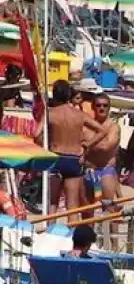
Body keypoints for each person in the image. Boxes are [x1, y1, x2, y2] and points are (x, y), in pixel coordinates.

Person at [34, 80, 110, 216]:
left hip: (55, 157)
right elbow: (102, 131)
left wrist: (45, 147)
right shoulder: (79, 115)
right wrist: (87, 144)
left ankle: (50, 232)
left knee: (52, 203)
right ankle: (71, 236)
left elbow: (36, 134)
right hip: (73, 158)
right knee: (72, 205)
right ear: (69, 95)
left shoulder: (50, 113)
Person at [83, 93, 121, 218]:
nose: (102, 108)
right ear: (93, 107)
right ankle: (88, 237)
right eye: (98, 105)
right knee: (87, 211)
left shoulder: (113, 127)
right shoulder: (88, 126)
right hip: (89, 170)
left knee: (110, 210)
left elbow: (106, 147)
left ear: (109, 108)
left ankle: (112, 238)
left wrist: (87, 143)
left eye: (105, 106)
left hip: (106, 170)